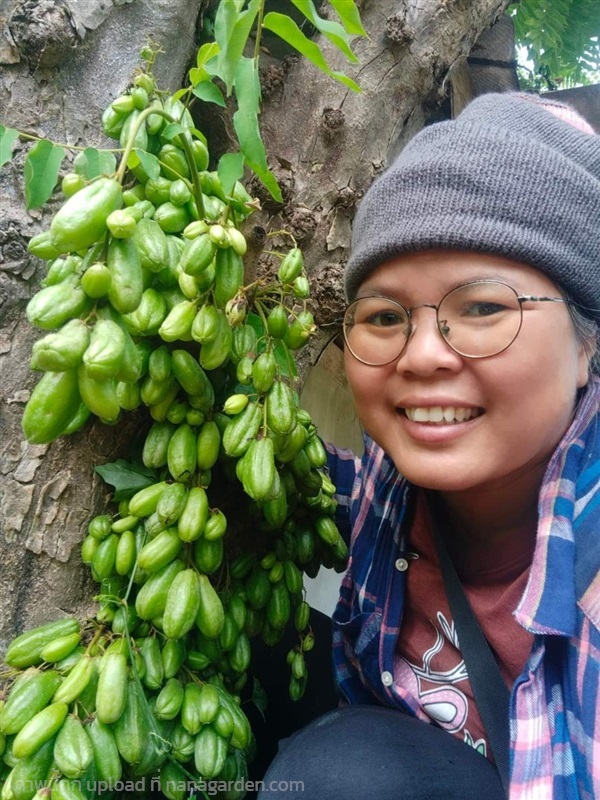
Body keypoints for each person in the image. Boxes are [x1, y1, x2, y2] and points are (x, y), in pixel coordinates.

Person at [258, 92, 600, 800]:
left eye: (481, 308)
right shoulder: (391, 484)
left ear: (584, 347)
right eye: (385, 315)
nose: (420, 355)